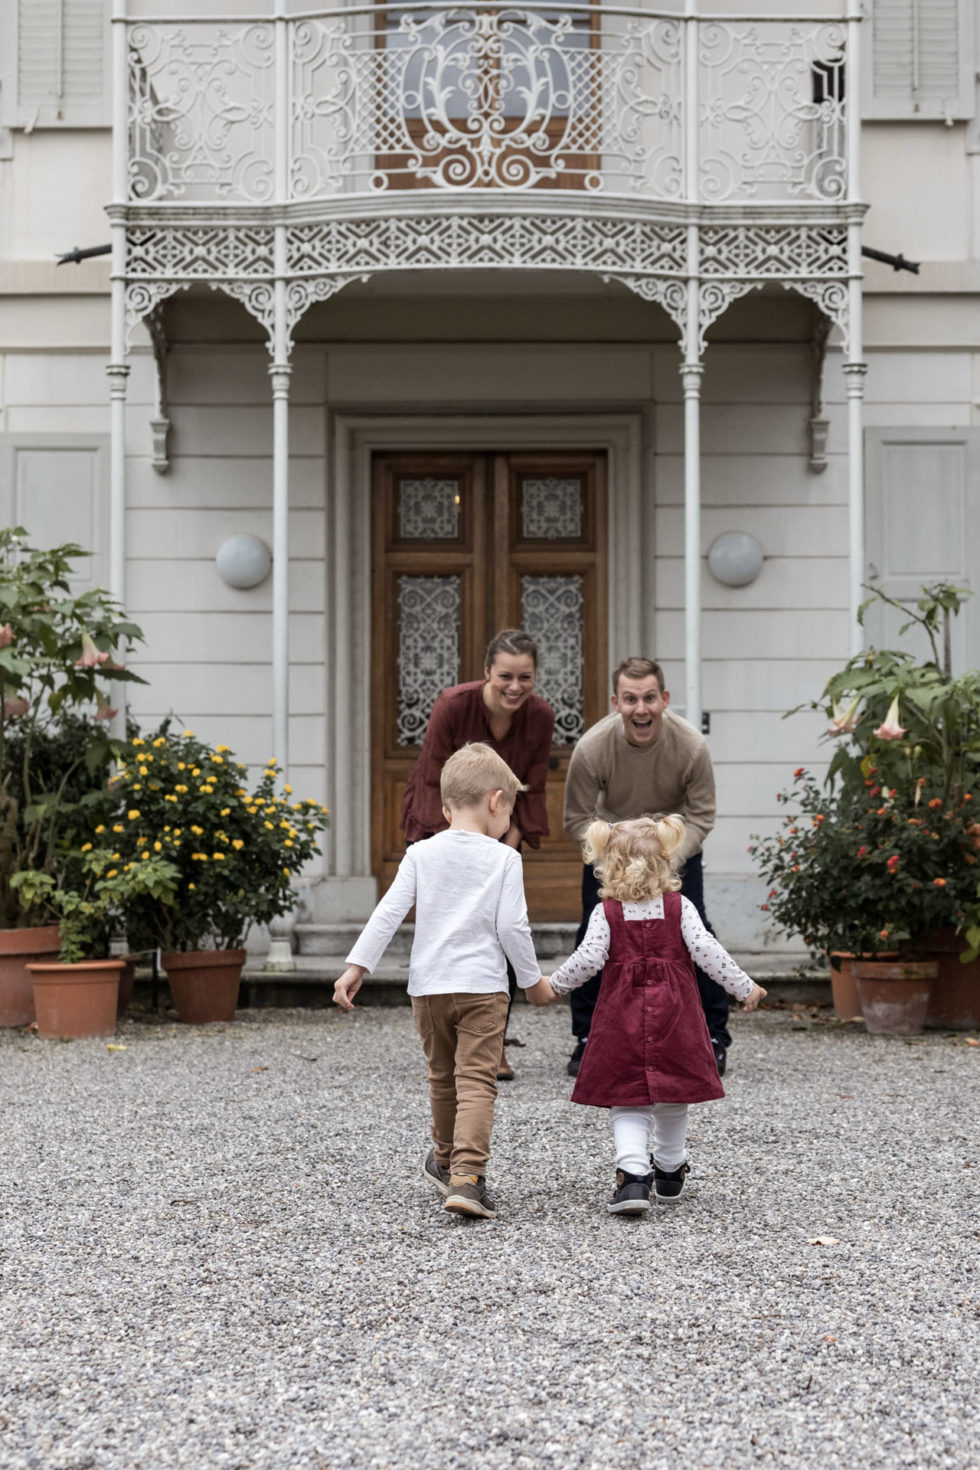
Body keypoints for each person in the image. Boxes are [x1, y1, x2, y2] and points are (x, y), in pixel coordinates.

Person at [334, 743, 550, 1220]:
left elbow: (389, 911)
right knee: (476, 1081)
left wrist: (357, 967)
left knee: (442, 1077)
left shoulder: (420, 854)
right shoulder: (503, 859)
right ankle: (468, 1180)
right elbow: (513, 928)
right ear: (497, 802)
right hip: (483, 988)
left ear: (447, 807)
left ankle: (447, 1161)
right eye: (509, 808)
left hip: (429, 987)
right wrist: (533, 981)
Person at [538, 815, 765, 1215]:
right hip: (676, 1018)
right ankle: (670, 1171)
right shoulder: (681, 908)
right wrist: (745, 987)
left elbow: (588, 959)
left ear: (609, 866)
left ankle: (632, 1178)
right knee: (674, 1094)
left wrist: (554, 985)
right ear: (665, 862)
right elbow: (708, 951)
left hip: (620, 1020)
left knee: (627, 1098)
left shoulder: (605, 913)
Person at [562, 656, 730, 1077]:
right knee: (594, 932)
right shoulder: (592, 748)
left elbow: (702, 816)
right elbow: (577, 819)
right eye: (631, 699)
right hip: (612, 850)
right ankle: (587, 1037)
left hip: (673, 847)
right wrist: (615, 852)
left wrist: (662, 857)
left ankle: (713, 1036)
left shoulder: (691, 746)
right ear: (616, 702)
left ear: (665, 699)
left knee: (696, 932)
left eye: (650, 698)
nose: (642, 709)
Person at [401, 628, 555, 1080]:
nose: (514, 687)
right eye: (505, 675)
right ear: (487, 672)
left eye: (525, 677)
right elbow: (435, 778)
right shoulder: (452, 705)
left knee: (497, 933)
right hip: (440, 826)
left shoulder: (541, 716)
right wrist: (458, 844)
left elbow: (533, 785)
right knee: (446, 931)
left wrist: (507, 842)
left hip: (503, 832)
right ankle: (441, 1035)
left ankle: (494, 1044)